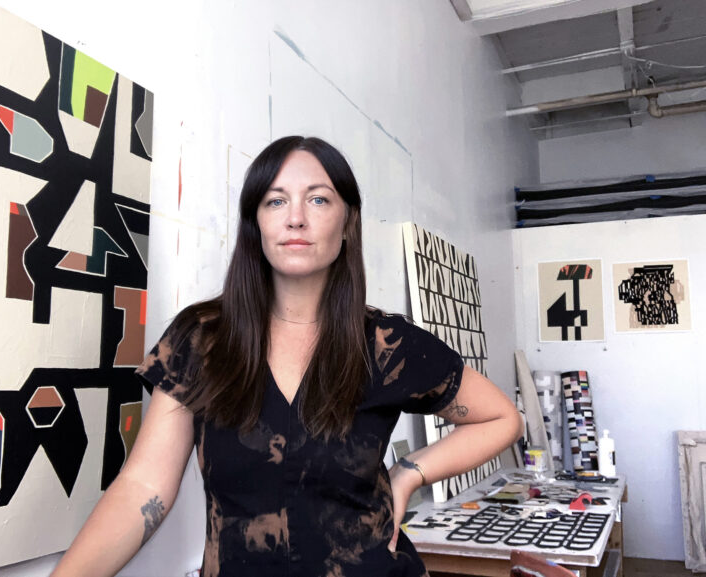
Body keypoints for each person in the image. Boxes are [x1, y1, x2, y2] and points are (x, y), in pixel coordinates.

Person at [52, 136, 523, 577]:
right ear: (255, 223)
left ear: (348, 221)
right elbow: (143, 487)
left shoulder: (386, 345)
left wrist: (409, 474)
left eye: (318, 199)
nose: (295, 217)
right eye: (275, 201)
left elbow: (501, 418)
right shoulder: (201, 340)